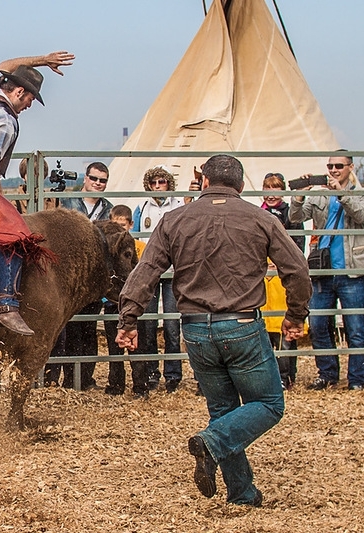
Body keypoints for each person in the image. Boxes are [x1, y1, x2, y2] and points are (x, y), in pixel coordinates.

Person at [116, 154, 311, 507]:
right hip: (240, 325)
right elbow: (296, 270)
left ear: (204, 182)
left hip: (194, 329)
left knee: (223, 410)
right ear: (240, 185)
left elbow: (145, 272)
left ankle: (242, 492)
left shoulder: (174, 220)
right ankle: (213, 442)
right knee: (268, 403)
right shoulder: (260, 219)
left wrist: (129, 319)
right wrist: (296, 315)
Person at [0, 51, 75, 336]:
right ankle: (6, 302)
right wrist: (2, 201)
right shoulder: (5, 120)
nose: (30, 104)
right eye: (31, 98)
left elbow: (3, 66)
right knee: (15, 232)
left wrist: (44, 59)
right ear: (19, 91)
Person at [289, 153, 364, 390]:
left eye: (338, 166)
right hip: (322, 268)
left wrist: (341, 193)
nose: (334, 170)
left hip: (351, 269)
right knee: (318, 325)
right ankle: (327, 374)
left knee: (355, 327)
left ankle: (357, 379)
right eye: (329, 166)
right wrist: (299, 194)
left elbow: (361, 215)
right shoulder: (318, 192)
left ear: (350, 167)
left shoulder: (362, 193)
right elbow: (295, 217)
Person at [57, 161, 113, 389]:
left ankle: (86, 379)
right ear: (86, 178)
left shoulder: (109, 208)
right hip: (72, 275)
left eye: (102, 181)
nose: (98, 184)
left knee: (89, 329)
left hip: (93, 277)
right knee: (70, 329)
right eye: (94, 179)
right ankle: (70, 379)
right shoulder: (68, 202)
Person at [132, 166, 185, 392]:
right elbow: (134, 238)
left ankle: (173, 374)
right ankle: (151, 371)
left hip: (173, 272)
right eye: (153, 183)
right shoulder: (142, 208)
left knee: (172, 324)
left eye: (161, 182)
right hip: (151, 272)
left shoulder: (180, 207)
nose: (157, 187)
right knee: (149, 324)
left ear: (168, 183)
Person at [261, 172, 305, 389]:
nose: (271, 194)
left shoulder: (292, 215)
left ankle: (287, 375)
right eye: (267, 189)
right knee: (267, 331)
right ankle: (270, 376)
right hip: (265, 280)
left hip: (282, 278)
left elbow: (298, 244)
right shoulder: (258, 213)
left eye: (276, 189)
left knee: (284, 329)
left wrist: (283, 263)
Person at [103, 205, 149, 398]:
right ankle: (115, 384)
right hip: (112, 303)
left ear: (130, 225)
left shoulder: (139, 247)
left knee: (137, 346)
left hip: (133, 304)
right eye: (116, 225)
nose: (120, 230)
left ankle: (140, 385)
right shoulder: (107, 249)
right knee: (114, 346)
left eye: (123, 225)